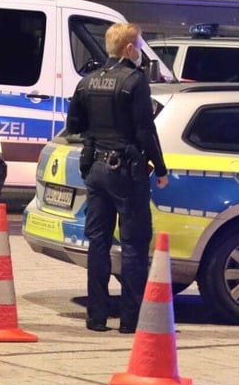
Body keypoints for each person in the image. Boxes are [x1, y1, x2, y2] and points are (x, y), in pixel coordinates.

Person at [66, 22, 169, 334]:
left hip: (95, 169)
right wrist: (160, 168)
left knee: (98, 241)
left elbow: (74, 125)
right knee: (134, 244)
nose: (140, 51)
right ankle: (130, 320)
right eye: (138, 44)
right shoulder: (134, 81)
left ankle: (96, 317)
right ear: (129, 49)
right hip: (126, 170)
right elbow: (145, 130)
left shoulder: (87, 81)